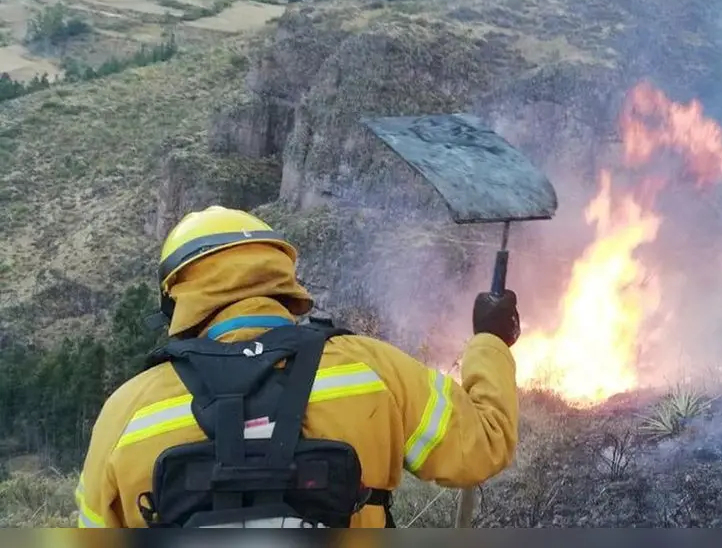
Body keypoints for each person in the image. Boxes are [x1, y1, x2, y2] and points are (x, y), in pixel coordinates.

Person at [75, 205, 521, 528]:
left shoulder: (126, 413)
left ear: (176, 301)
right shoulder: (370, 370)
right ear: (282, 279)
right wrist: (491, 339)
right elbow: (484, 444)